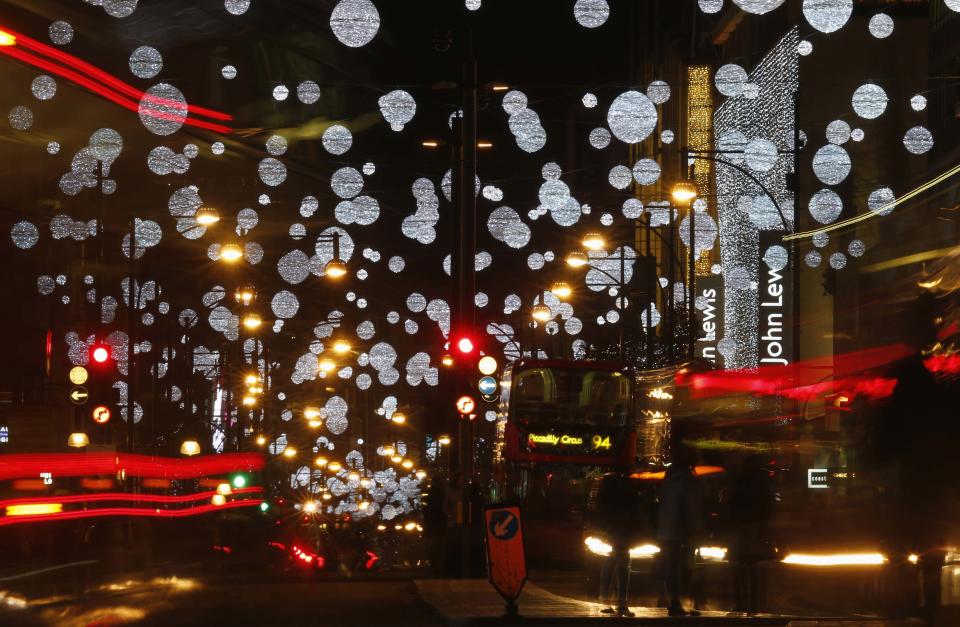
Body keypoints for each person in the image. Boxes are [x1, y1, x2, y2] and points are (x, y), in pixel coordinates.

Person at [725, 456, 775, 615]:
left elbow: (728, 504)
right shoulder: (762, 481)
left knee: (737, 568)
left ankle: (739, 603)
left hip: (739, 529)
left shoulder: (737, 481)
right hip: (755, 528)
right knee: (754, 569)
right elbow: (768, 505)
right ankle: (754, 604)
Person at [589, 472, 642, 617]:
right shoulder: (626, 485)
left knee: (613, 559)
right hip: (623, 527)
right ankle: (621, 602)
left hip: (613, 527)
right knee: (623, 561)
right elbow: (634, 507)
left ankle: (606, 598)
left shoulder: (608, 483)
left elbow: (601, 508)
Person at [657, 453, 703, 617]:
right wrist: (696, 529)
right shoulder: (688, 480)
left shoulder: (668, 479)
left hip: (666, 528)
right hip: (681, 529)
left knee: (671, 566)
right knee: (683, 566)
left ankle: (671, 600)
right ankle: (678, 602)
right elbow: (692, 507)